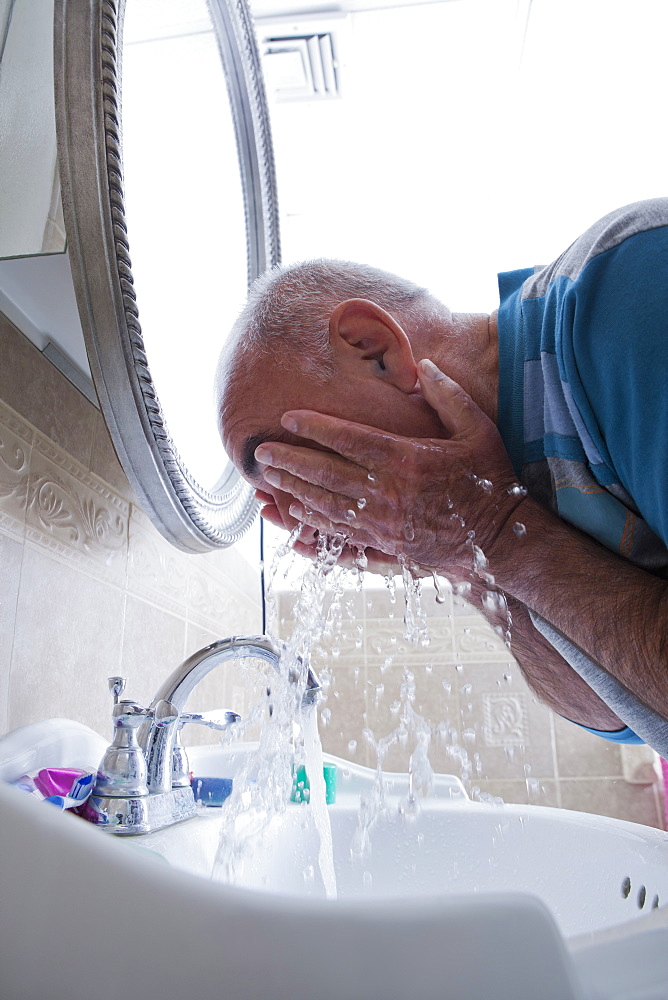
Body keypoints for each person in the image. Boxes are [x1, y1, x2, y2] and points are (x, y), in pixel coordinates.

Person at [216, 198, 668, 755]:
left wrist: (495, 529)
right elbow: (628, 711)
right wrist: (472, 565)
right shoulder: (511, 481)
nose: (297, 516)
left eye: (286, 464)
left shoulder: (625, 294)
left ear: (373, 349)